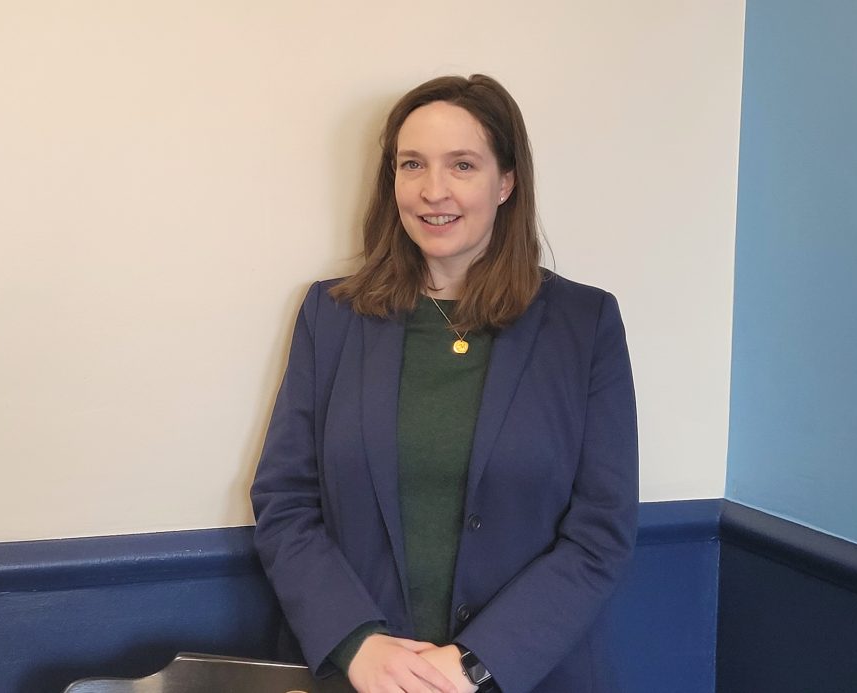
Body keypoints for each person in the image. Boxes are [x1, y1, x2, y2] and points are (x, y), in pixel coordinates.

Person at [251, 74, 638, 693]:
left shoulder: (583, 324)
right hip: (356, 680)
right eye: (412, 165)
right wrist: (357, 644)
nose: (434, 191)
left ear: (506, 182)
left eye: (462, 165)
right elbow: (285, 501)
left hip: (525, 676)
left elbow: (600, 532)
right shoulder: (332, 314)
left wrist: (477, 663)